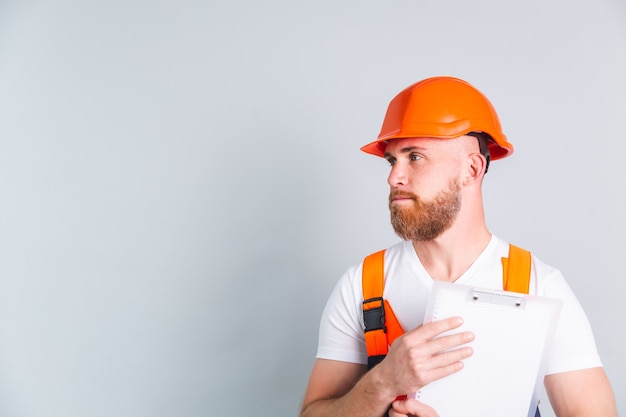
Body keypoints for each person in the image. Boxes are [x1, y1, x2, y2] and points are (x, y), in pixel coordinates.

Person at [299, 76, 618, 417]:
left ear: (471, 168)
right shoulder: (363, 284)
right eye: (392, 161)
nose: (394, 178)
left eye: (415, 157)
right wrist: (384, 383)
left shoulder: (538, 287)